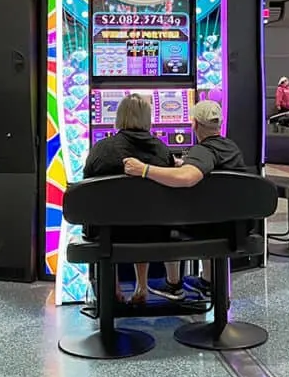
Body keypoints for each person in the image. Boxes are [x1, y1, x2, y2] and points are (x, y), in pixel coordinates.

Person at [123, 99, 247, 298]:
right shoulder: (231, 147)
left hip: (208, 228)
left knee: (169, 217)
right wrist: (186, 163)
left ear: (195, 124)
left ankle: (173, 285)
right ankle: (206, 282)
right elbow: (207, 169)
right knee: (203, 212)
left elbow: (187, 178)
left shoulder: (203, 150)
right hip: (233, 225)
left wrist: (144, 169)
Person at [83, 93, 176, 304]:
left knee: (111, 218)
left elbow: (87, 189)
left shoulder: (102, 149)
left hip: (108, 232)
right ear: (148, 118)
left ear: (119, 117)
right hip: (154, 230)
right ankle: (141, 286)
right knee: (142, 216)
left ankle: (113, 290)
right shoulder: (162, 150)